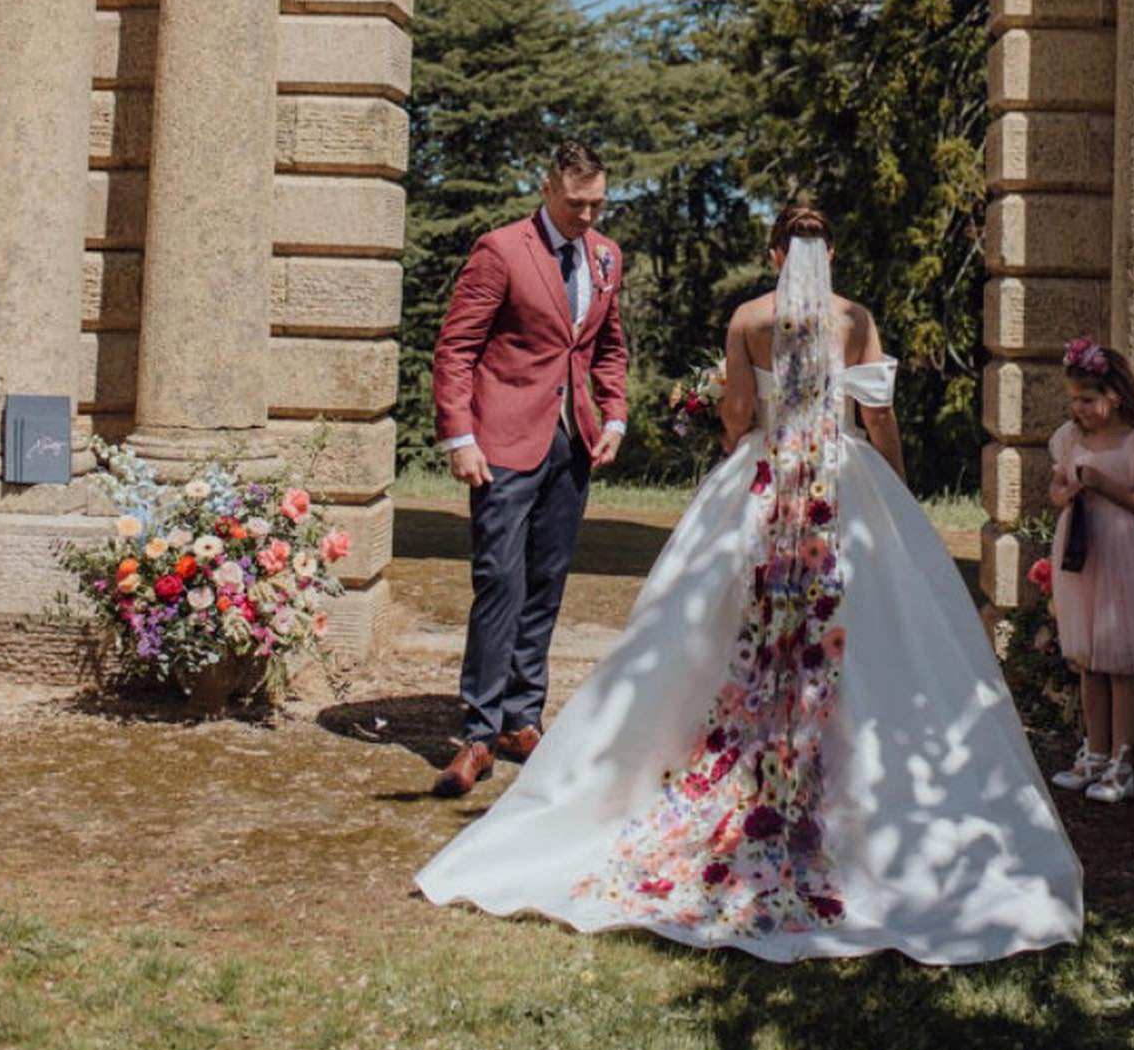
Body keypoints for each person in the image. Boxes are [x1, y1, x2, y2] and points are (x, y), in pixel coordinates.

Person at [416, 205, 1083, 963]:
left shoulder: (748, 319)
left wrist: (744, 437)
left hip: (766, 482)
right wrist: (895, 489)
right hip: (842, 483)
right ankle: (863, 796)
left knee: (718, 628)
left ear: (774, 253)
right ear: (827, 250)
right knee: (877, 642)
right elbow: (879, 414)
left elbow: (737, 414)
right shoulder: (856, 317)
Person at [427, 140, 628, 799]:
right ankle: (478, 733)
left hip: (572, 447)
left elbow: (608, 346)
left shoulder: (605, 256)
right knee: (498, 581)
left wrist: (615, 417)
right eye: (577, 204)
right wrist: (460, 435)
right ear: (547, 190)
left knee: (545, 582)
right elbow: (456, 347)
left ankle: (523, 717)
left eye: (598, 203)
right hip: (502, 441)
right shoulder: (501, 249)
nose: (588, 217)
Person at [1047, 337, 1134, 806]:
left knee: (1121, 659)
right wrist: (1069, 493)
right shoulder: (1070, 439)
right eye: (1074, 400)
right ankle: (1095, 749)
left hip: (1125, 552)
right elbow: (1056, 490)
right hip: (1081, 550)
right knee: (1088, 658)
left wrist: (1106, 485)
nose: (1079, 408)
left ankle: (1123, 759)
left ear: (1116, 396)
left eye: (1087, 399)